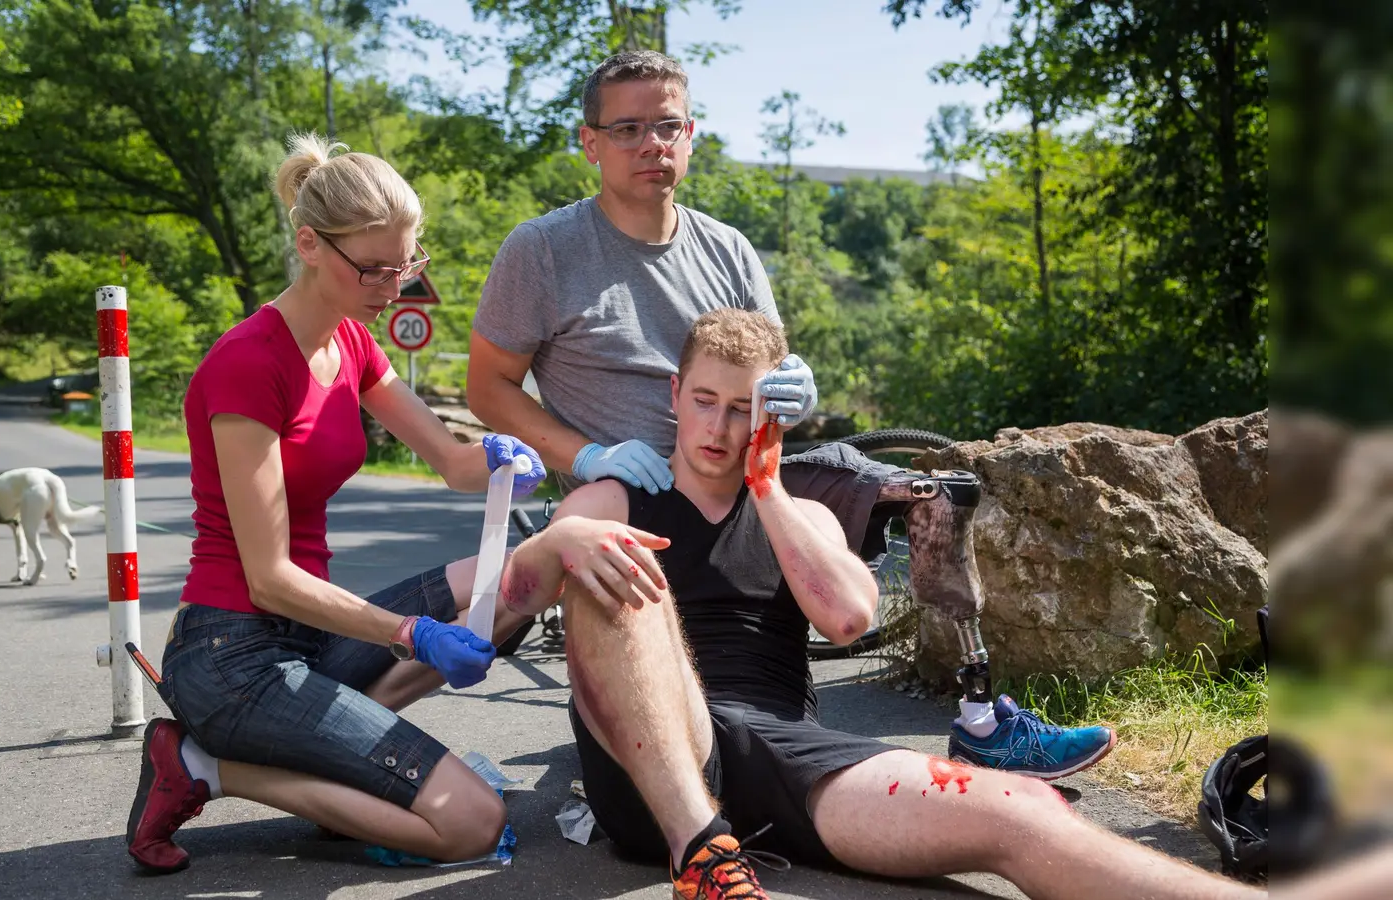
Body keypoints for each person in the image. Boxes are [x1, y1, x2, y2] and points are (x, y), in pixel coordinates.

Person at [468, 48, 1113, 779]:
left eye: (668, 125)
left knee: (931, 492)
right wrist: (588, 457)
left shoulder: (730, 251)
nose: (651, 144)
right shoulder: (544, 251)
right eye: (627, 129)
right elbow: (488, 387)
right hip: (637, 486)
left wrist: (792, 389)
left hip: (746, 469)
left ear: (692, 134)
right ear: (589, 143)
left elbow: (766, 360)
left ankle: (978, 715)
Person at [497, 309, 1262, 900]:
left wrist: (767, 487)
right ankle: (698, 847)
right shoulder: (613, 495)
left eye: (742, 409)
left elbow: (848, 618)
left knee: (1022, 814)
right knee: (605, 553)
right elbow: (516, 597)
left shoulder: (801, 511)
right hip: (652, 765)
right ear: (674, 395)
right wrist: (569, 542)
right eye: (704, 401)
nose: (719, 427)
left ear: (773, 415)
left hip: (778, 752)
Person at [122, 134, 547, 874]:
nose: (393, 287)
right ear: (311, 243)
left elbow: (450, 462)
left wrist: (496, 457)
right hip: (233, 659)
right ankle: (203, 763)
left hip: (309, 640)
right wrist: (412, 633)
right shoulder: (248, 365)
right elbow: (269, 581)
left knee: (522, 579)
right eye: (374, 269)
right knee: (472, 822)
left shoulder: (352, 342)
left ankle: (348, 765)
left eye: (406, 264)